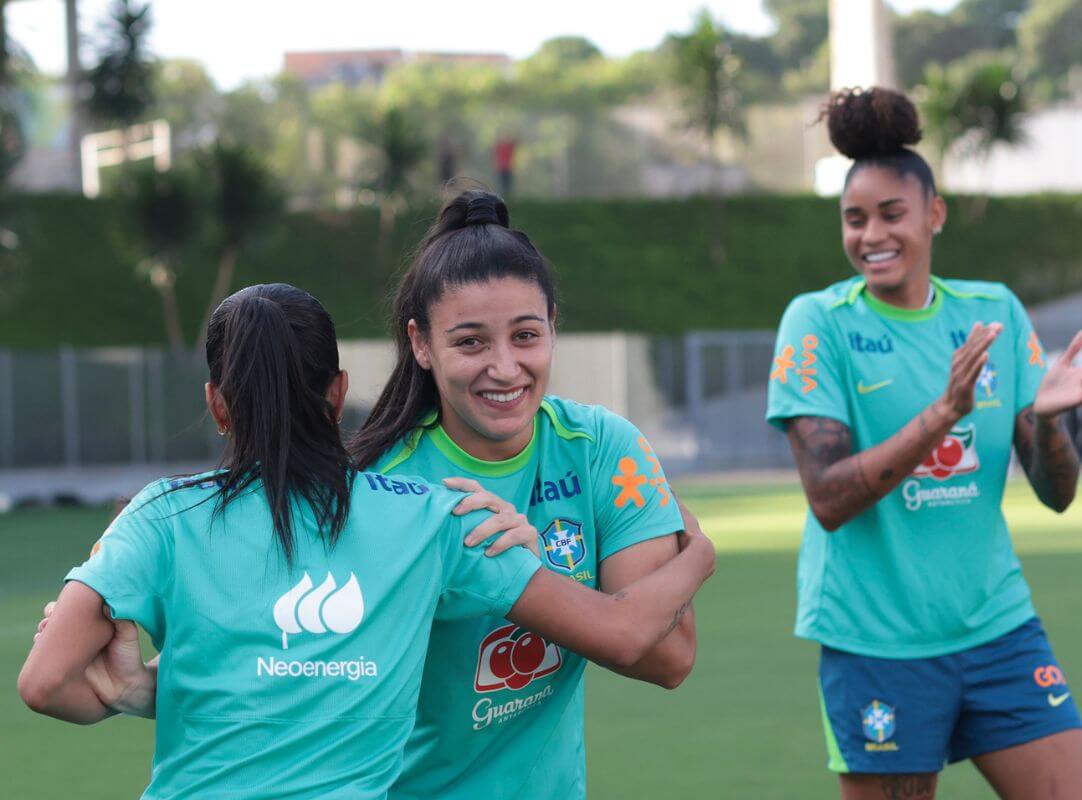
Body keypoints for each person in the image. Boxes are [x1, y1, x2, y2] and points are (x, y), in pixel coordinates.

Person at [35, 192, 701, 799]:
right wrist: (699, 554)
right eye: (471, 341)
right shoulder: (410, 507)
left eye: (525, 335)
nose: (504, 366)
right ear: (414, 346)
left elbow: (668, 659)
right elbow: (622, 633)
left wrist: (138, 689)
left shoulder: (597, 445)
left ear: (215, 405)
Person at [767, 88, 1082, 800]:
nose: (872, 236)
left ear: (935, 214)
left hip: (997, 627)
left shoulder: (994, 313)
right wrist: (945, 411)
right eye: (854, 219)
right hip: (877, 643)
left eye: (892, 215)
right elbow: (829, 498)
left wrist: (1049, 420)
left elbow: (1057, 495)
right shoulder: (816, 323)